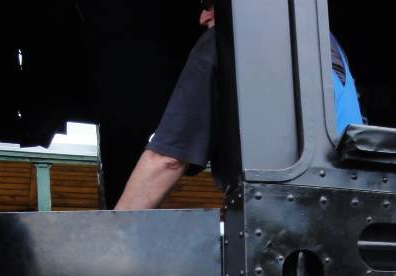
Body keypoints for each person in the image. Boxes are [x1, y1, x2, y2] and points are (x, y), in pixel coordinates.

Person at [114, 1, 362, 210]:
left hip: (282, 223)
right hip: (349, 215)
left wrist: (113, 234)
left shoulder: (224, 42)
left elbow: (167, 160)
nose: (203, 17)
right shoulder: (328, 48)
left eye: (210, 4)